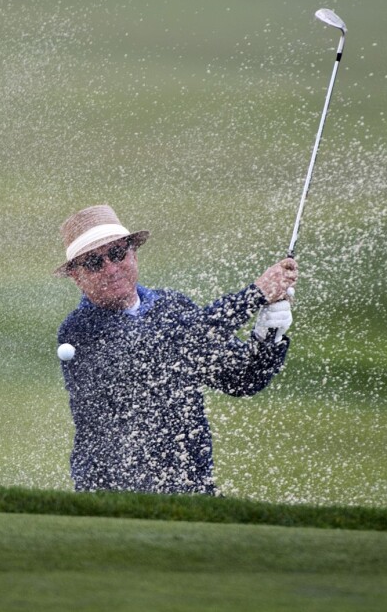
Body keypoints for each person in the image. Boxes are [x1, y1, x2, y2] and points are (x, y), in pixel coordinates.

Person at [55, 204, 297, 495]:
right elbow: (167, 344)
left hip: (190, 484)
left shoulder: (173, 306)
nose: (111, 268)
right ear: (77, 276)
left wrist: (267, 336)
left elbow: (242, 380)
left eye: (118, 253)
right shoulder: (79, 331)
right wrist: (254, 295)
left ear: (132, 252)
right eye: (94, 263)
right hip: (115, 491)